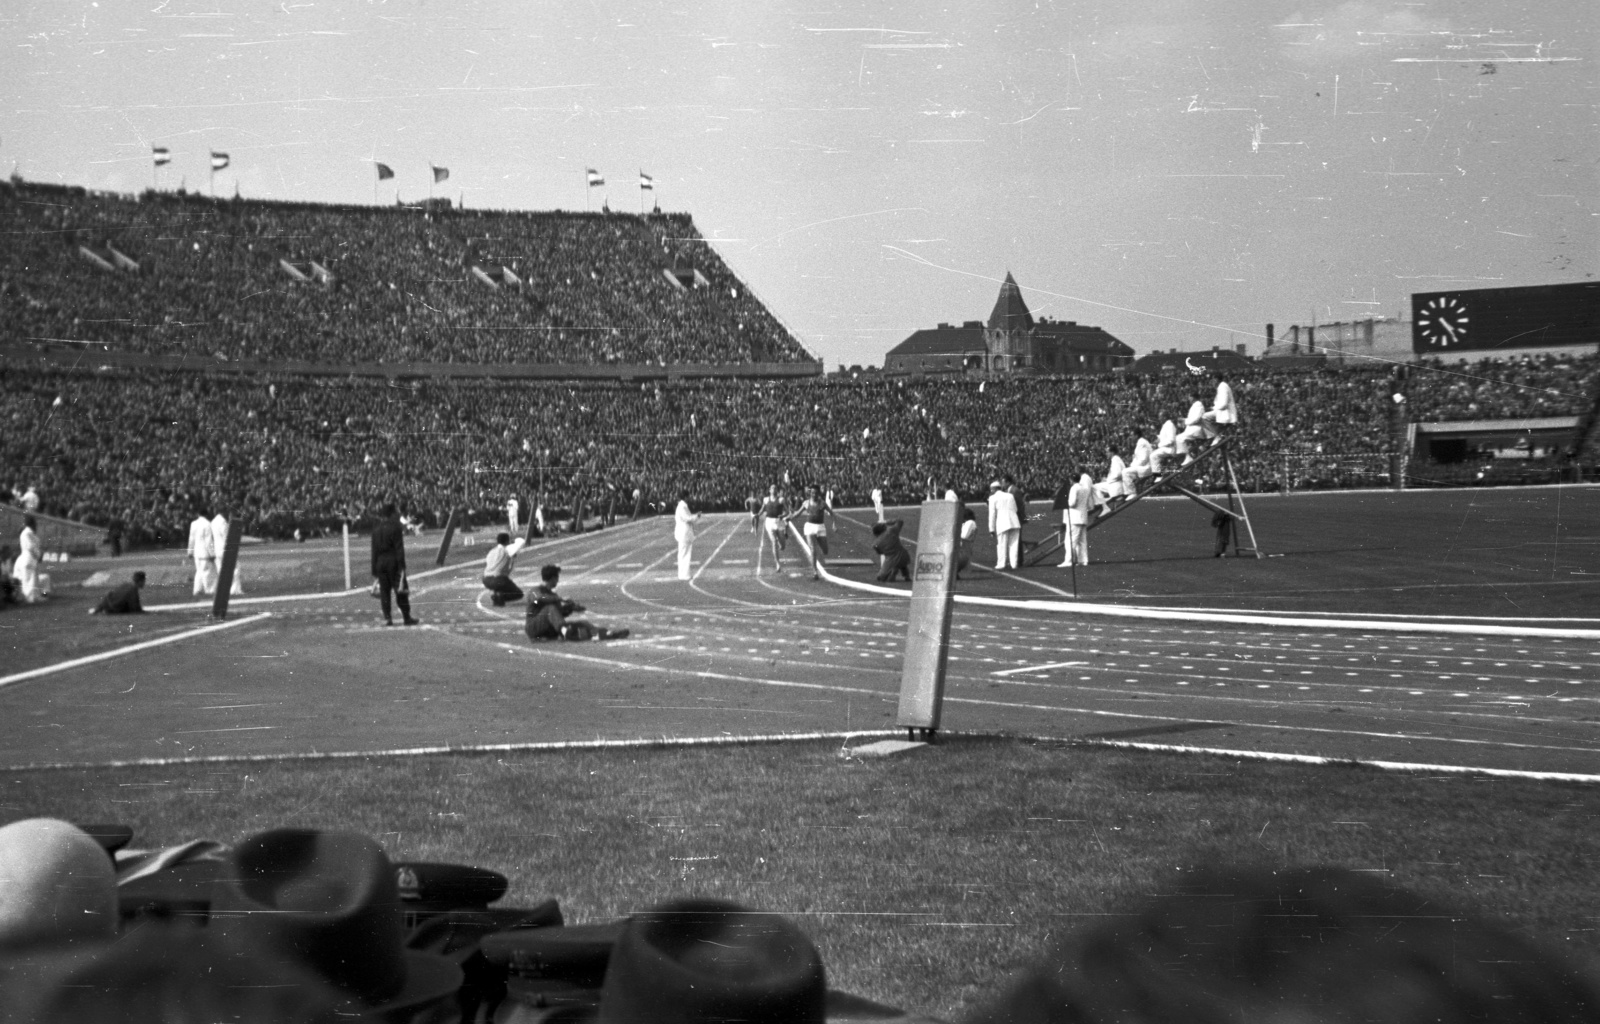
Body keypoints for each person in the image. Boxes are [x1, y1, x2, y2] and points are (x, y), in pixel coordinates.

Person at [524, 564, 628, 642]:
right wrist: (559, 599)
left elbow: (558, 614)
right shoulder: (535, 590)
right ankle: (565, 632)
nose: (558, 581)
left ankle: (607, 634)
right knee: (550, 608)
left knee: (583, 624)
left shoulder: (553, 596)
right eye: (557, 578)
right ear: (553, 578)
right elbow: (540, 598)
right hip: (533, 628)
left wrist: (570, 608)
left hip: (549, 629)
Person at [370, 502, 418, 626]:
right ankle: (406, 617)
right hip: (393, 562)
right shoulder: (395, 528)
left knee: (384, 592)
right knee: (401, 591)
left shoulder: (376, 529)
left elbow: (374, 551)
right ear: (392, 514)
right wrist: (402, 566)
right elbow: (399, 549)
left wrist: (374, 570)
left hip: (380, 562)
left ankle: (387, 618)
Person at [789, 485, 836, 580]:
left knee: (825, 551)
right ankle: (815, 571)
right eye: (812, 493)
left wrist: (834, 524)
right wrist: (789, 517)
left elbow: (831, 513)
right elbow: (797, 514)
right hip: (809, 527)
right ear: (810, 493)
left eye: (816, 493)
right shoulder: (806, 503)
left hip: (820, 527)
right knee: (813, 549)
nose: (814, 494)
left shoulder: (822, 503)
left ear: (818, 493)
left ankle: (818, 543)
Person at [482, 531, 527, 606]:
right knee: (518, 594)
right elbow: (521, 541)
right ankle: (500, 596)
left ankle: (497, 595)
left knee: (500, 583)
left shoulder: (491, 551)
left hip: (486, 580)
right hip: (499, 580)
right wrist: (513, 541)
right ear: (507, 541)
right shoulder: (507, 549)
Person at [987, 477, 1022, 571]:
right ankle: (1014, 564)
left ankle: (1001, 564)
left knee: (1002, 544)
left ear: (993, 489)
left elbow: (992, 514)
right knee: (1014, 544)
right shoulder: (1010, 495)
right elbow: (1015, 509)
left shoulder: (992, 498)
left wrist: (991, 529)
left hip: (1002, 523)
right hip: (1014, 521)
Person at [1062, 468, 1094, 568]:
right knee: (1082, 540)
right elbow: (1089, 505)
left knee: (1071, 540)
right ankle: (1083, 560)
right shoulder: (1084, 488)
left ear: (1072, 480)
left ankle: (1069, 560)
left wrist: (1064, 502)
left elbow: (1072, 503)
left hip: (1074, 517)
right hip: (1083, 517)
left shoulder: (1074, 488)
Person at [754, 484, 787, 574]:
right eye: (772, 488)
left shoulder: (781, 499)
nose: (774, 489)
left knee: (783, 546)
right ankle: (778, 563)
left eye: (775, 488)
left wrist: (783, 515)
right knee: (774, 542)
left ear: (777, 490)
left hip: (779, 522)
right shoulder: (765, 499)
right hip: (769, 522)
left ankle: (781, 544)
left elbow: (787, 511)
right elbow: (762, 510)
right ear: (769, 490)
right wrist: (758, 514)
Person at [210, 509, 243, 596]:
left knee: (221, 572)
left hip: (217, 550)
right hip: (225, 549)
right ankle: (235, 589)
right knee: (236, 568)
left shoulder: (213, 521)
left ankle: (223, 589)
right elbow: (227, 537)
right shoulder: (223, 522)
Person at [15, 514, 45, 603]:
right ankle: (29, 597)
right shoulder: (27, 533)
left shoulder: (29, 533)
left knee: (33, 578)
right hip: (28, 557)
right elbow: (31, 547)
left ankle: (35, 596)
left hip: (31, 558)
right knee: (28, 579)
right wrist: (39, 555)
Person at [187, 508, 216, 596]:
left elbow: (191, 539)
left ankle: (197, 590)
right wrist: (212, 553)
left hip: (197, 553)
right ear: (206, 514)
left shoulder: (193, 523)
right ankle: (209, 590)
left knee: (199, 571)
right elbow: (208, 541)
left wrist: (190, 551)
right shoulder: (207, 524)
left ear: (198, 514)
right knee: (207, 572)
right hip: (205, 553)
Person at [673, 490, 700, 581]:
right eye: (688, 496)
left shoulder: (682, 506)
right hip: (684, 533)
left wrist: (695, 517)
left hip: (683, 533)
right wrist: (697, 516)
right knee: (685, 554)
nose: (689, 498)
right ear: (685, 497)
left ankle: (683, 574)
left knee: (683, 554)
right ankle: (684, 575)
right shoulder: (682, 506)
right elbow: (687, 518)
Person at [1206, 370, 1237, 443]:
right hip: (1223, 412)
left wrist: (1214, 408)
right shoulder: (1222, 386)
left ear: (1216, 379)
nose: (1212, 382)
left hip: (1226, 413)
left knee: (1204, 417)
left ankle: (1218, 435)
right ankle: (1219, 435)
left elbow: (1224, 404)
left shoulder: (1222, 386)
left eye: (1213, 379)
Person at [1123, 428, 1155, 496]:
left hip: (1146, 467)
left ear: (1136, 435)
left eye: (1132, 435)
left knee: (1125, 472)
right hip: (1143, 466)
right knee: (1126, 472)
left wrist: (1132, 466)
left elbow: (1143, 459)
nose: (1131, 437)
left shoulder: (1142, 443)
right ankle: (1130, 492)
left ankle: (1132, 493)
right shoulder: (1140, 443)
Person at [955, 506, 977, 580]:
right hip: (965, 546)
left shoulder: (970, 523)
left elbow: (964, 536)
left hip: (964, 546)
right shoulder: (967, 523)